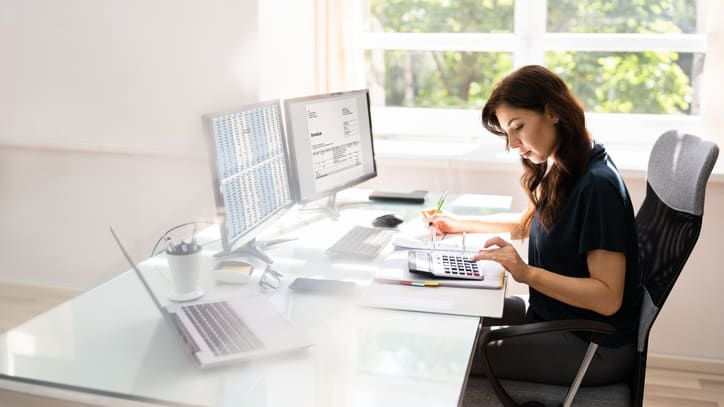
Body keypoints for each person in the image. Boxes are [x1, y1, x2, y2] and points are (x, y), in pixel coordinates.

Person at [423, 65, 642, 386]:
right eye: (506, 133)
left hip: (589, 346)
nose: (512, 143)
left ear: (553, 112)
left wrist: (525, 272)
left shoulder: (597, 186)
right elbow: (531, 224)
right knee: (451, 317)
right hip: (553, 320)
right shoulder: (567, 162)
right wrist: (459, 224)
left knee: (450, 356)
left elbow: (607, 298)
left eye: (518, 127)